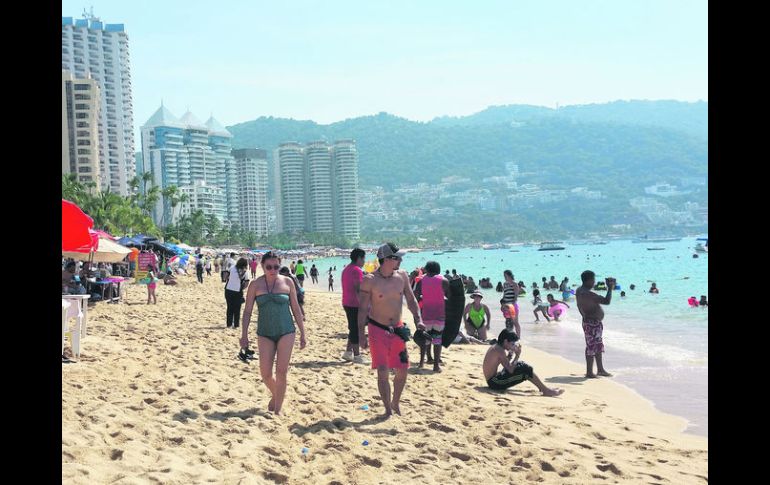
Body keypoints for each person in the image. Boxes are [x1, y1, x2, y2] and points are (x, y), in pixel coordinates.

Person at [358, 243, 421, 418]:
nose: (400, 260)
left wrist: (418, 320)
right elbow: (362, 309)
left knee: (402, 369)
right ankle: (387, 408)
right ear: (386, 259)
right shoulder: (370, 280)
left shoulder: (402, 276)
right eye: (397, 257)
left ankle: (395, 402)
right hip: (377, 328)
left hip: (398, 329)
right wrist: (359, 335)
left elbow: (411, 299)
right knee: (383, 370)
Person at [240, 251, 306, 415]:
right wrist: (244, 334)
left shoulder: (288, 282)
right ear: (262, 266)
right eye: (269, 266)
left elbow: (296, 309)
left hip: (287, 331)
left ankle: (278, 410)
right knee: (266, 373)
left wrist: (303, 333)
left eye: (276, 266)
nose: (273, 270)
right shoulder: (255, 285)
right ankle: (278, 395)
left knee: (281, 371)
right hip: (265, 333)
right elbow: (247, 311)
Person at [483, 329, 564, 396]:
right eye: (512, 344)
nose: (513, 345)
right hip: (495, 383)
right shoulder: (500, 351)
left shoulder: (496, 347)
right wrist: (517, 355)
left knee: (521, 364)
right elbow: (510, 370)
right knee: (525, 371)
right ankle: (545, 390)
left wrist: (511, 355)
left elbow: (504, 363)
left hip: (494, 379)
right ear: (505, 341)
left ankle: (542, 387)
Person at [576, 270, 614, 378]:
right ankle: (589, 372)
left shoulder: (579, 290)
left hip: (590, 322)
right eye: (593, 280)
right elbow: (607, 301)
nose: (594, 282)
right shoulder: (588, 294)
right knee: (591, 346)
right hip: (591, 323)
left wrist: (583, 315)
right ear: (588, 280)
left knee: (597, 345)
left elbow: (579, 305)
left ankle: (600, 369)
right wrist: (610, 288)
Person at [413, 261, 449, 372]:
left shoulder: (421, 281)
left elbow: (415, 296)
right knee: (437, 339)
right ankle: (436, 366)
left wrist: (418, 310)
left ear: (427, 269)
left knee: (425, 338)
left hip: (426, 314)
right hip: (440, 314)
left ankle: (422, 362)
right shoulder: (444, 281)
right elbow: (449, 296)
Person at [341, 249, 366, 364]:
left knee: (353, 328)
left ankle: (348, 352)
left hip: (347, 302)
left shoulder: (346, 269)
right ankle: (357, 355)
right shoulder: (357, 270)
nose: (364, 261)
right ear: (359, 258)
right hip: (354, 303)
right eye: (363, 258)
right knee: (355, 329)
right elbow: (359, 289)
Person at [225, 258, 250, 328]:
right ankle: (236, 325)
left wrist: (230, 281)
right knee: (237, 309)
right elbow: (247, 283)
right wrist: (241, 288)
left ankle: (229, 324)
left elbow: (226, 277)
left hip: (228, 290)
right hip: (238, 291)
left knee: (229, 308)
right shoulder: (245, 271)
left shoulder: (232, 267)